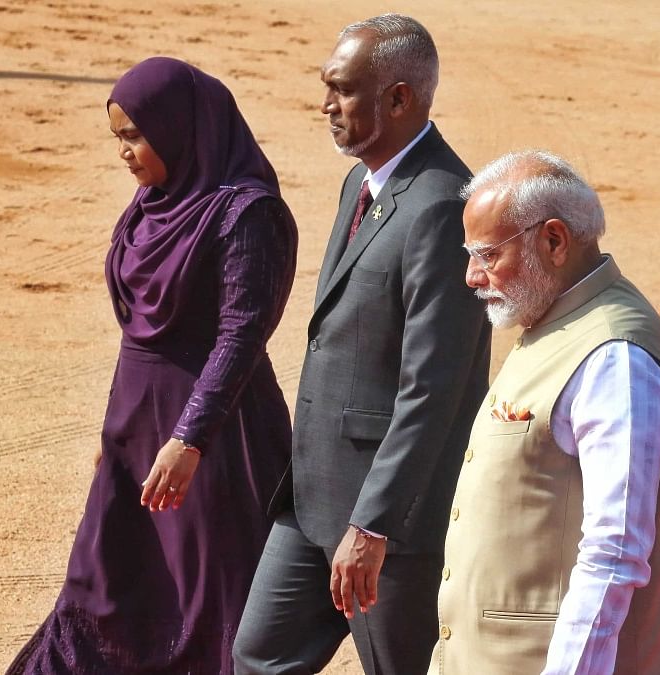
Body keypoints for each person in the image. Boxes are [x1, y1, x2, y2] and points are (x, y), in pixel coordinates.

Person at [7, 57, 297, 675]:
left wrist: (190, 437)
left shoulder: (246, 214)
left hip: (216, 438)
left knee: (205, 601)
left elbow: (241, 334)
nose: (126, 153)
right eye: (119, 138)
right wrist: (114, 429)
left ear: (180, 129)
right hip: (137, 428)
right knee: (106, 584)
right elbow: (135, 333)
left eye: (136, 136)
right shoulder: (150, 206)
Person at [232, 14, 490, 675]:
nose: (326, 105)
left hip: (389, 521)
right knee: (259, 651)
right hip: (315, 496)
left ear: (399, 98)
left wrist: (374, 523)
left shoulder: (441, 205)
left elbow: (432, 388)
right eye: (327, 86)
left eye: (343, 90)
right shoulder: (363, 181)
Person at [429, 150, 660, 674]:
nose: (471, 277)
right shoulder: (554, 319)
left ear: (553, 241)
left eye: (486, 255)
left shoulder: (617, 360)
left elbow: (615, 549)